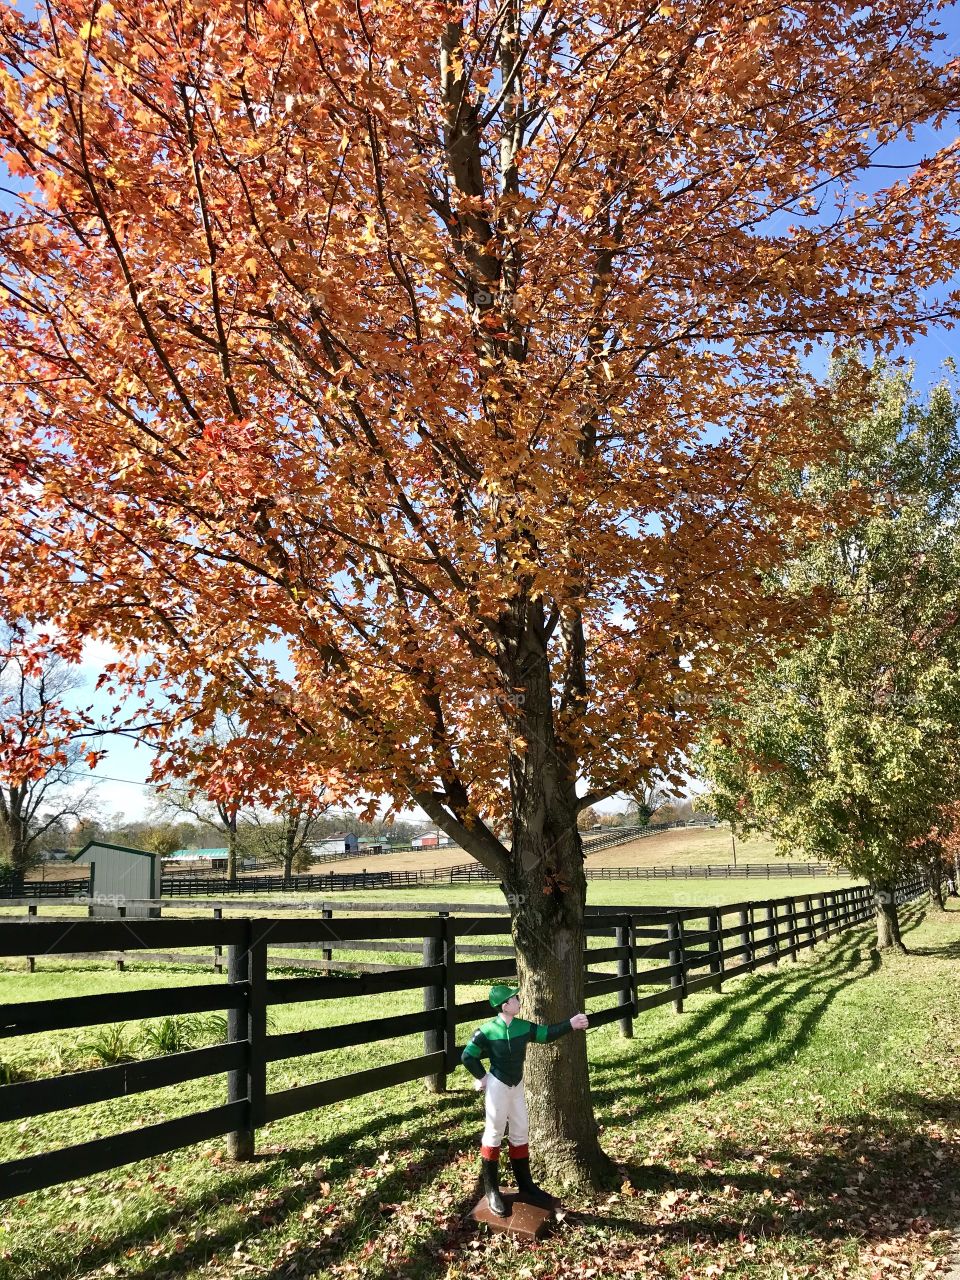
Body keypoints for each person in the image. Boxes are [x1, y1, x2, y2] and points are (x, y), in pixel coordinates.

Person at [461, 982, 589, 1215]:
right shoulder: (486, 1031)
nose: (519, 1001)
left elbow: (546, 1034)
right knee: (494, 1133)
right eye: (515, 999)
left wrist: (571, 1024)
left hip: (517, 1085)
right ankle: (491, 1190)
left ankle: (526, 1185)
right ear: (505, 1005)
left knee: (521, 1130)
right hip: (498, 1085)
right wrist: (482, 1077)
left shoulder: (523, 1026)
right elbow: (468, 1056)